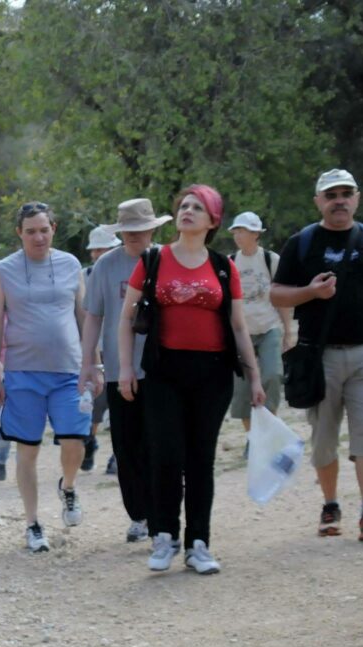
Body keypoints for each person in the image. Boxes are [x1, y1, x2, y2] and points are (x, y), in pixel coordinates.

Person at [118, 185, 265, 574]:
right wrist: (126, 369)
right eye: (183, 205)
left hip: (213, 374)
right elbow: (126, 318)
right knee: (166, 454)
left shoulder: (223, 266)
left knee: (201, 458)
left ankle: (199, 543)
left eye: (197, 207)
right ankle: (164, 536)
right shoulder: (153, 259)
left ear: (213, 220)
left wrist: (254, 378)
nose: (187, 211)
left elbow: (237, 324)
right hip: (164, 371)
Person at [270, 168, 363, 542]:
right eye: (331, 195)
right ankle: (330, 502)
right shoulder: (302, 243)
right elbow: (277, 294)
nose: (339, 201)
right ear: (318, 201)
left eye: (346, 193)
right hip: (321, 356)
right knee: (324, 437)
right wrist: (310, 293)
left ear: (357, 198)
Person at [0, 201, 90, 553]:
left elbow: (84, 317)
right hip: (22, 373)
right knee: (27, 450)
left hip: (69, 371)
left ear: (53, 229)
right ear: (20, 233)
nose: (38, 237)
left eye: (43, 229)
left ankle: (69, 487)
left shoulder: (71, 264)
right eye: (30, 231)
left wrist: (95, 365)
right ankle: (32, 523)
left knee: (75, 441)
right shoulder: (5, 269)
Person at [80, 199, 169, 543]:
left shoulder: (169, 259)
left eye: (140, 229)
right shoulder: (106, 266)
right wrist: (89, 363)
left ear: (152, 229)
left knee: (162, 443)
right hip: (120, 368)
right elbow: (94, 317)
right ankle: (139, 515)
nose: (134, 235)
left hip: (164, 367)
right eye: (128, 230)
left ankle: (164, 514)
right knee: (127, 445)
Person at [227, 212, 293, 454]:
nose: (238, 235)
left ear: (256, 234)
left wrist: (288, 332)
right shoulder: (230, 261)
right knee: (242, 386)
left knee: (273, 376)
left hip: (269, 327)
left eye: (242, 231)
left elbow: (281, 296)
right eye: (235, 231)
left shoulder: (270, 259)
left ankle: (268, 430)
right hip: (241, 333)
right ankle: (253, 439)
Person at [81, 224, 122, 473]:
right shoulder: (84, 276)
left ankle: (119, 453)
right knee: (95, 400)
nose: (97, 254)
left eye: (101, 248)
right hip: (95, 345)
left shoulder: (125, 271)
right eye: (94, 250)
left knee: (119, 402)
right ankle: (89, 440)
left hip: (121, 346)